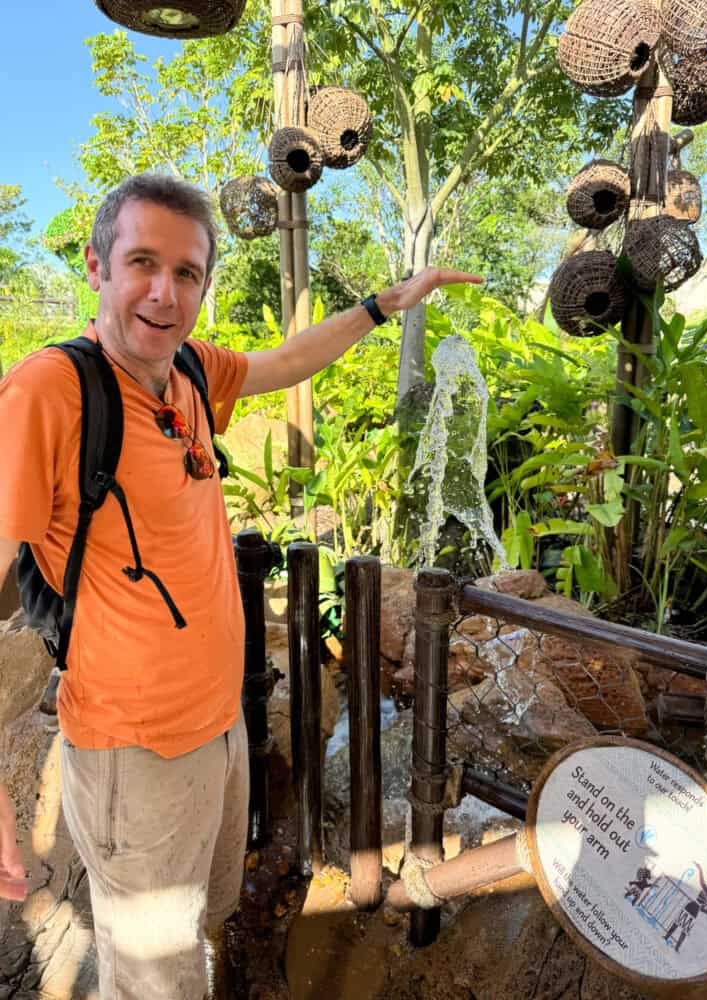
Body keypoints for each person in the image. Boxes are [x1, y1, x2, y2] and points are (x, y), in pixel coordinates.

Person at [0, 173, 481, 999]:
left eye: (187, 272)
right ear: (96, 267)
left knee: (202, 928)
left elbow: (289, 360)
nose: (164, 291)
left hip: (218, 731)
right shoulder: (50, 391)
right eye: (142, 262)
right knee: (154, 981)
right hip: (132, 754)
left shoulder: (186, 372)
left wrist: (383, 304)